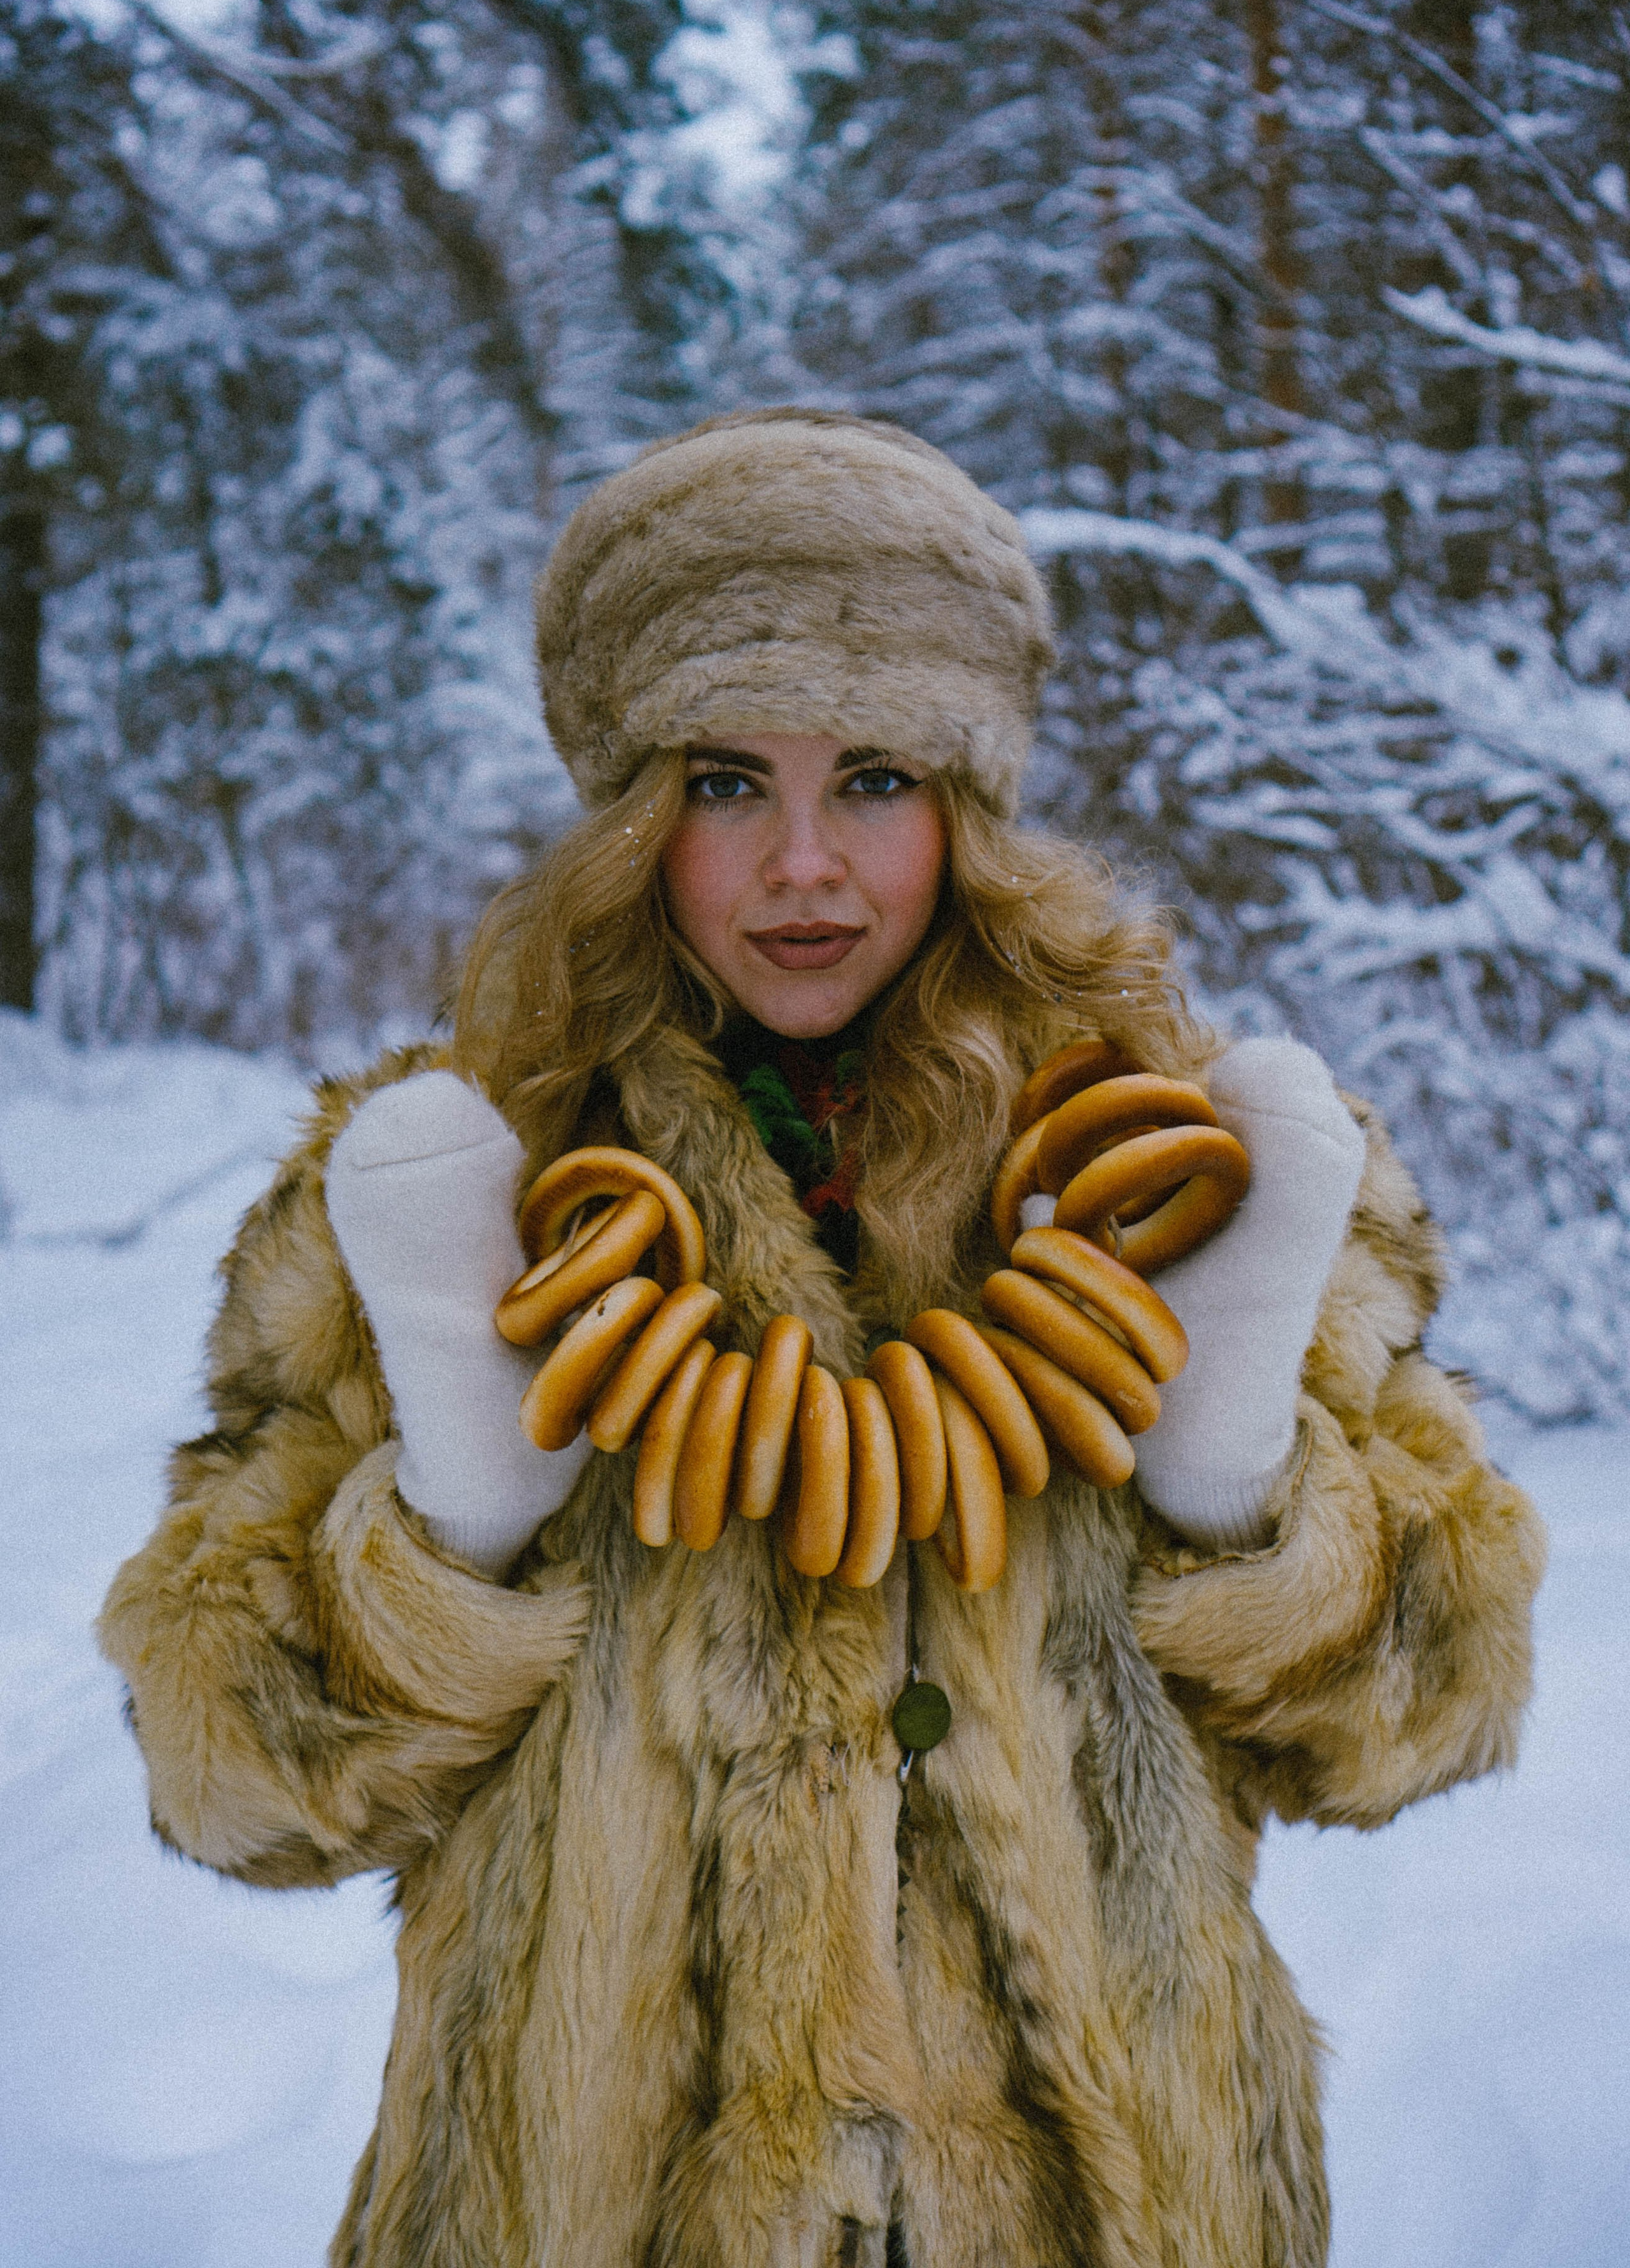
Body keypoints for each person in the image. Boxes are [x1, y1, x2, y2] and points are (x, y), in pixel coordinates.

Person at [99, 409, 1545, 2268]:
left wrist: (1247, 1485)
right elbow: (232, 1776)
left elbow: (1427, 1711)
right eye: (723, 781)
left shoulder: (1180, 1174)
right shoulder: (444, 1186)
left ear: (966, 803)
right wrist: (451, 1516)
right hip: (585, 2208)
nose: (801, 863)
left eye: (871, 777)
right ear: (631, 808)